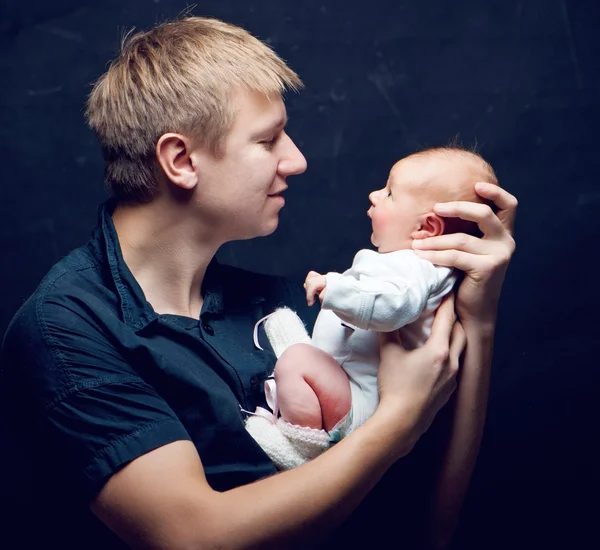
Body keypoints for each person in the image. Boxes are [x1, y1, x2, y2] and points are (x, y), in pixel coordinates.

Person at [0, 15, 517, 550]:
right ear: (180, 160)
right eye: (268, 140)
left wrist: (477, 318)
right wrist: (399, 419)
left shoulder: (280, 307)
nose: (296, 160)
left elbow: (426, 531)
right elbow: (192, 537)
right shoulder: (66, 330)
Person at [245, 148, 500, 470]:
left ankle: (303, 446)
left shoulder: (413, 267)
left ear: (427, 228)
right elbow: (375, 291)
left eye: (390, 193)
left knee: (297, 359)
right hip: (358, 391)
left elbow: (393, 307)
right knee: (300, 356)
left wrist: (333, 289)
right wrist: (338, 282)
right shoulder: (418, 268)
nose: (375, 195)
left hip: (362, 402)